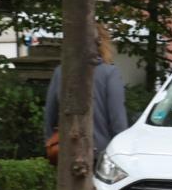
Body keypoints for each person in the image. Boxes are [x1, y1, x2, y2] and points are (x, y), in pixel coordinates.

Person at [44, 23, 129, 165]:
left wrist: (50, 143)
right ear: (101, 43)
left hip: (65, 151)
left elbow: (50, 116)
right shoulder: (109, 73)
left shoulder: (61, 72)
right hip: (100, 154)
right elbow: (117, 121)